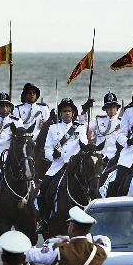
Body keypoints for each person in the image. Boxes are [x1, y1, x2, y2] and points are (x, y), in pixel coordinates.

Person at [38, 98, 88, 230]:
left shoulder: (80, 128)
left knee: (92, 185)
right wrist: (52, 155)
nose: (67, 113)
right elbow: (47, 148)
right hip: (57, 165)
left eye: (69, 111)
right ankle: (44, 219)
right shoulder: (53, 128)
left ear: (73, 113)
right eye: (64, 111)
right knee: (43, 188)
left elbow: (84, 145)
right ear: (60, 113)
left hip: (75, 165)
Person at [91, 92, 121, 164]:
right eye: (109, 106)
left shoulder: (122, 122)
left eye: (113, 106)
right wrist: (85, 111)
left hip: (115, 158)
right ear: (105, 109)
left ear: (117, 108)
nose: (111, 109)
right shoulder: (98, 120)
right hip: (99, 157)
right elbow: (84, 125)